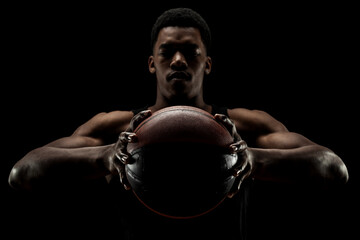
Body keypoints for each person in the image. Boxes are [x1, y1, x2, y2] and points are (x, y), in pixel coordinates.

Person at [8, 7, 349, 240]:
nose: (178, 61)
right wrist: (102, 157)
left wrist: (256, 160)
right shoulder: (116, 129)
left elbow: (333, 168)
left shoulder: (243, 126)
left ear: (208, 64)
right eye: (167, 51)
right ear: (152, 63)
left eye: (191, 52)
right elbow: (23, 173)